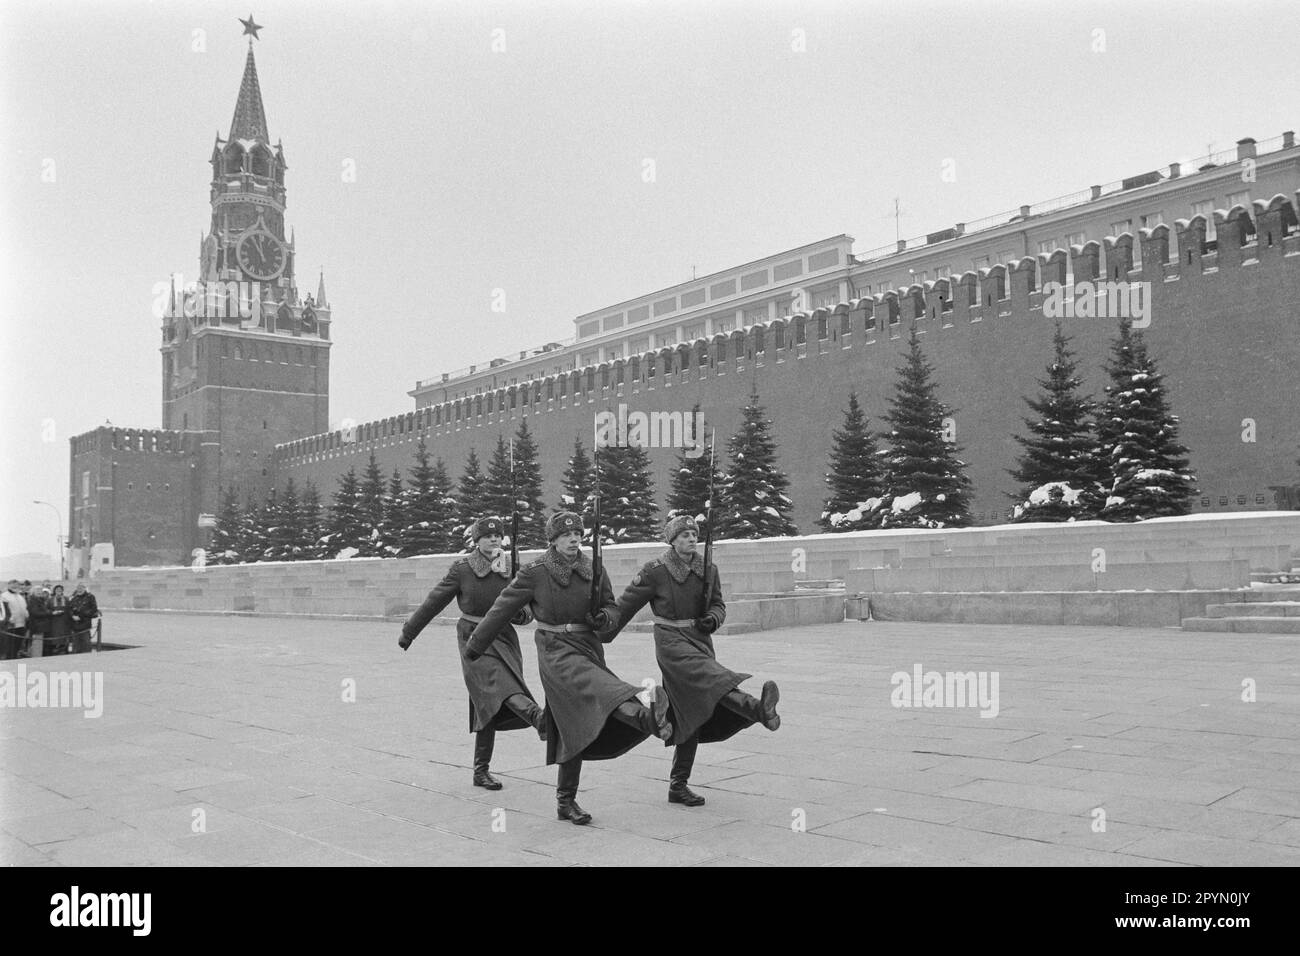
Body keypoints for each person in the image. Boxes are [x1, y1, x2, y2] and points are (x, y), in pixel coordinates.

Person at [466, 511, 673, 825]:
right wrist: (475, 645)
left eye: (577, 533)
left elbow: (611, 607)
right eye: (566, 535)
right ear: (553, 540)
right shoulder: (536, 572)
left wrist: (605, 618)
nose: (574, 539)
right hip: (555, 650)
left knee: (571, 724)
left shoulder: (594, 568)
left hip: (587, 645)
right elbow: (503, 607)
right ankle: (649, 719)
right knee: (603, 689)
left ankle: (566, 802)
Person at [608, 514, 781, 807]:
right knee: (712, 677)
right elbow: (624, 607)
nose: (691, 538)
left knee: (689, 712)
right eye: (684, 534)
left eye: (693, 533)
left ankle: (678, 785)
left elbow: (718, 604)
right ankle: (757, 709)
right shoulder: (655, 571)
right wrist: (601, 628)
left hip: (700, 640)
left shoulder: (708, 568)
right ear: (672, 540)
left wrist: (712, 619)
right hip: (671, 643)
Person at [399, 517, 546, 790]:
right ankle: (539, 718)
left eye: (497, 536)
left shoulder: (511, 568)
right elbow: (434, 601)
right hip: (473, 638)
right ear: (476, 540)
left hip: (503, 637)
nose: (493, 540)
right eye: (487, 536)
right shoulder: (463, 569)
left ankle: (481, 771)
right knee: (499, 684)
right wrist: (410, 632)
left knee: (486, 701)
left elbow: (527, 609)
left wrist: (520, 614)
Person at [68, 583, 100, 654]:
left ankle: (87, 659)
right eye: (78, 588)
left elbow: (93, 609)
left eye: (81, 588)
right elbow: (69, 609)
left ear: (84, 588)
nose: (79, 589)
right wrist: (72, 616)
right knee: (76, 646)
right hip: (75, 625)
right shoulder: (74, 598)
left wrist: (81, 616)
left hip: (85, 625)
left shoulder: (90, 597)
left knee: (86, 645)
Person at [1, 580, 28, 660]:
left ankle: (15, 659)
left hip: (21, 624)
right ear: (8, 585)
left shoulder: (20, 596)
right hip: (11, 625)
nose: (14, 587)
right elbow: (4, 611)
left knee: (18, 644)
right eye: (12, 585)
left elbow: (24, 607)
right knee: (10, 646)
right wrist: (9, 619)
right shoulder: (4, 596)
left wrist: (26, 614)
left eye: (16, 585)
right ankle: (10, 660)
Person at [26, 583, 51, 659]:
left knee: (39, 645)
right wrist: (49, 612)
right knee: (37, 645)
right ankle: (36, 660)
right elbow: (35, 613)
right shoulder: (33, 601)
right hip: (36, 626)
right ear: (33, 592)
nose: (39, 592)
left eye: (40, 591)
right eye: (37, 591)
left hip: (41, 626)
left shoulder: (40, 600)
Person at [47, 585, 71, 654]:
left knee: (63, 640)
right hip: (54, 623)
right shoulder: (50, 600)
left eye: (60, 590)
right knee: (54, 640)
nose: (59, 591)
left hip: (64, 623)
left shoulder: (66, 599)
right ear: (54, 591)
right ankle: (54, 652)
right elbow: (46, 610)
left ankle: (63, 651)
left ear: (62, 591)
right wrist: (52, 612)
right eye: (57, 589)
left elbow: (69, 610)